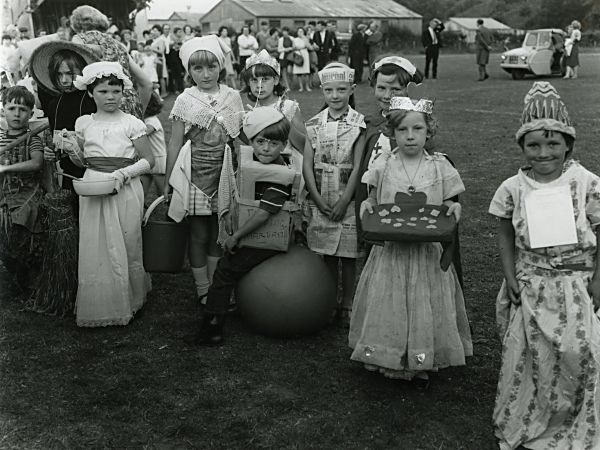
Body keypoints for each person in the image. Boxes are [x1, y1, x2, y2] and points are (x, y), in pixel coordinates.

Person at [490, 81, 600, 449]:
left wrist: (598, 280)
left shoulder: (587, 184)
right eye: (533, 145)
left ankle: (575, 415)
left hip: (577, 286)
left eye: (553, 144)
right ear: (521, 146)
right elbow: (505, 232)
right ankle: (534, 415)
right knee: (531, 356)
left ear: (568, 144)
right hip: (531, 284)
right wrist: (510, 276)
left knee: (579, 354)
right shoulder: (513, 188)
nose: (544, 153)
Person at [350, 94, 471, 383]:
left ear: (429, 131)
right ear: (392, 132)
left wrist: (454, 207)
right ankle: (388, 355)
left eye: (417, 129)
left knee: (423, 301)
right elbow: (373, 197)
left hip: (425, 251)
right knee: (389, 300)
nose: (410, 136)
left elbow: (451, 200)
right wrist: (368, 204)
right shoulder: (383, 163)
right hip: (392, 251)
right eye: (403, 130)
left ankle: (421, 356)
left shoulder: (439, 165)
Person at [187, 107, 295, 345]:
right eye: (260, 141)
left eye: (273, 143)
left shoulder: (279, 175)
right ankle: (226, 308)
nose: (265, 148)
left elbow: (263, 214)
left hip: (264, 238)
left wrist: (236, 237)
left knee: (225, 271)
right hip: (252, 233)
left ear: (285, 145)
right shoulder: (255, 161)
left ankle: (212, 327)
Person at [66, 62, 154, 327]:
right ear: (91, 94)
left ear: (123, 92)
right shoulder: (84, 123)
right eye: (103, 91)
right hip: (93, 186)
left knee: (127, 239)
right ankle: (102, 303)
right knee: (97, 241)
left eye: (116, 91)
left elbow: (149, 159)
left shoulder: (131, 123)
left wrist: (125, 174)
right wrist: (73, 151)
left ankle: (132, 298)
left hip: (124, 187)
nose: (110, 97)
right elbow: (83, 162)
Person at [163, 36, 243, 305]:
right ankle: (202, 289)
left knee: (219, 232)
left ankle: (216, 287)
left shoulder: (232, 97)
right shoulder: (186, 99)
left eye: (211, 67)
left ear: (221, 66)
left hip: (224, 173)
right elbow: (174, 141)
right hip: (195, 174)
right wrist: (168, 179)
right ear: (188, 71)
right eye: (197, 69)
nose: (205, 74)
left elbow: (239, 135)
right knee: (198, 233)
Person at [304, 63, 365, 324]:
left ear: (352, 89)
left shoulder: (359, 124)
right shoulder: (314, 124)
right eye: (329, 90)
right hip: (321, 198)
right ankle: (329, 298)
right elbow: (307, 163)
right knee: (327, 252)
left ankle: (348, 301)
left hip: (346, 200)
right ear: (322, 91)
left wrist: (345, 199)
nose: (335, 96)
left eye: (342, 90)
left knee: (348, 255)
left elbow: (359, 165)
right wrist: (317, 198)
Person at [354, 56, 423, 242]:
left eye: (395, 89)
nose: (387, 95)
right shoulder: (370, 124)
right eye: (381, 88)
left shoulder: (416, 125)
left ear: (409, 90)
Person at [32, 41, 98, 193]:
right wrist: (51, 151)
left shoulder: (93, 99)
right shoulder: (54, 104)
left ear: (83, 71)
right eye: (59, 74)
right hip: (68, 174)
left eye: (69, 73)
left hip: (95, 172)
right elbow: (57, 140)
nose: (64, 80)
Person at [70, 5, 153, 117]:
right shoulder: (117, 44)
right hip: (128, 103)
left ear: (77, 24)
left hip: (103, 105)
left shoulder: (79, 39)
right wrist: (139, 111)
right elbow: (147, 84)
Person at [0, 86, 45, 292]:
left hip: (27, 192)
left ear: (31, 113)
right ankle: (15, 270)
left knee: (19, 224)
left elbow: (36, 164)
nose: (17, 114)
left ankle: (28, 274)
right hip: (4, 194)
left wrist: (6, 168)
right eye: (11, 108)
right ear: (3, 110)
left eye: (22, 109)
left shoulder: (33, 138)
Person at [240, 50, 306, 155]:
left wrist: (284, 124)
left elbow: (304, 146)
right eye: (254, 80)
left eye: (265, 79)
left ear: (275, 80)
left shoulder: (288, 107)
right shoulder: (252, 112)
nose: (259, 85)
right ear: (248, 82)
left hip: (288, 167)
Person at [140, 92, 166, 200]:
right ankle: (140, 207)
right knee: (141, 191)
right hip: (147, 159)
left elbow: (143, 133)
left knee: (163, 192)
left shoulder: (152, 121)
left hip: (158, 159)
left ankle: (170, 210)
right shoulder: (145, 120)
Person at [292, 27, 312, 92]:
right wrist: (297, 48)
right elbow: (293, 47)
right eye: (299, 31)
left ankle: (307, 86)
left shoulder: (306, 38)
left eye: (301, 31)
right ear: (297, 32)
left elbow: (308, 46)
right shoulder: (294, 39)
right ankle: (301, 87)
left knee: (306, 72)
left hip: (305, 54)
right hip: (298, 55)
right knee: (299, 72)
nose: (300, 33)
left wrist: (304, 38)